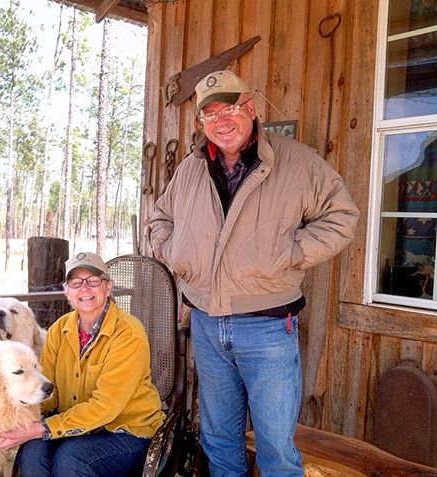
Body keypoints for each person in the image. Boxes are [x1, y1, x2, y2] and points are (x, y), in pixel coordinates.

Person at [149, 69, 359, 477]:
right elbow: (160, 217)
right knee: (220, 442)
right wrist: (172, 251)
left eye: (228, 108)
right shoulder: (191, 169)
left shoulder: (296, 162)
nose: (221, 122)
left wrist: (290, 252)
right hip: (208, 323)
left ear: (251, 107)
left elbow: (342, 217)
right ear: (201, 123)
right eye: (209, 115)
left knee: (275, 450)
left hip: (267, 327)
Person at [0, 251, 165, 477]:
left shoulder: (128, 334)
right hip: (74, 427)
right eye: (76, 283)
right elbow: (47, 394)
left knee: (71, 460)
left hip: (126, 430)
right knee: (31, 453)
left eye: (93, 281)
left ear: (108, 287)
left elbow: (105, 407)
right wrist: (12, 415)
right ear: (67, 291)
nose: (84, 289)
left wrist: (41, 429)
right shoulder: (59, 329)